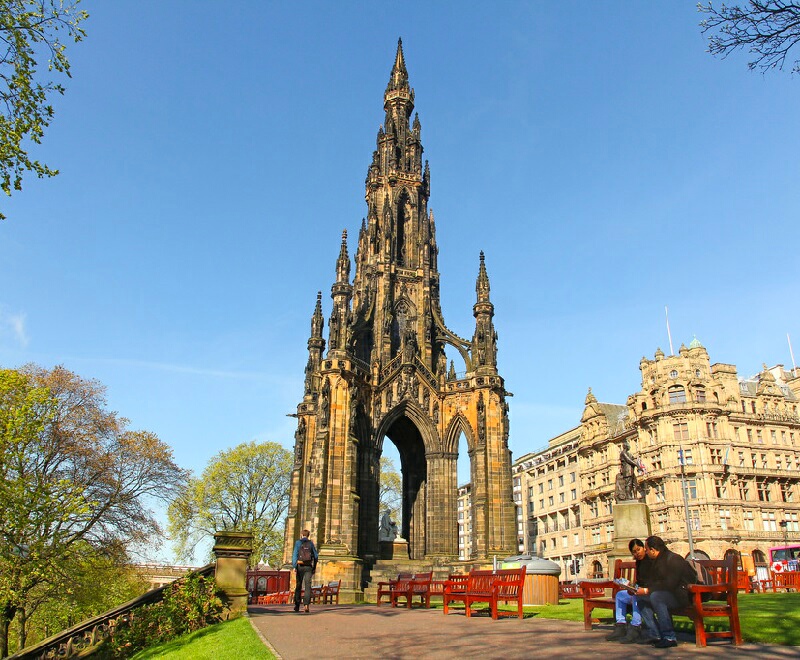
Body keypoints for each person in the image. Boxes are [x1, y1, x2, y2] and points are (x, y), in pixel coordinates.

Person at [634, 535, 697, 648]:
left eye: (647, 550)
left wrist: (648, 590)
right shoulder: (657, 561)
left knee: (656, 597)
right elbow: (655, 582)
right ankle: (655, 634)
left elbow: (670, 584)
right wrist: (639, 589)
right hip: (670, 594)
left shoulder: (673, 559)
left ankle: (669, 637)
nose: (646, 552)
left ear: (653, 550)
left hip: (683, 596)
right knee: (641, 598)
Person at [605, 539, 653, 644]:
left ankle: (636, 626)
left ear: (644, 548)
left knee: (637, 596)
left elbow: (652, 581)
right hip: (639, 590)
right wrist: (630, 587)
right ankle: (621, 625)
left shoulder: (650, 561)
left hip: (649, 593)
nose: (637, 553)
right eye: (634, 552)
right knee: (620, 595)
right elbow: (639, 581)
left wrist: (638, 589)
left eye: (638, 550)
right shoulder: (639, 562)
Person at [292, 529, 318, 613]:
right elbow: (316, 556)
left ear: (301, 535)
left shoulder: (298, 543)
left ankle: (297, 605)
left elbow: (295, 555)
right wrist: (314, 567)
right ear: (308, 535)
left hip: (300, 566)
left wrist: (294, 566)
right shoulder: (310, 543)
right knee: (307, 586)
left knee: (298, 585)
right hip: (308, 567)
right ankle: (306, 605)